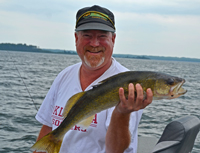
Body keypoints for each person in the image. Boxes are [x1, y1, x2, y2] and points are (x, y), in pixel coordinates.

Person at [33, 5, 153, 153]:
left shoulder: (129, 86)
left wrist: (122, 113)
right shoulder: (65, 75)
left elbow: (116, 150)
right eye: (87, 36)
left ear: (113, 39)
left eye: (102, 36)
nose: (95, 43)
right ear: (76, 38)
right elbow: (48, 127)